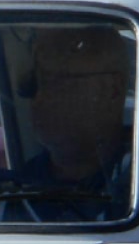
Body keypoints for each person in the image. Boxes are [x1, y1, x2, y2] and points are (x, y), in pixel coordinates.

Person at [24, 26, 132, 212]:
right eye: (34, 83)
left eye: (55, 82)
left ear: (112, 89)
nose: (39, 98)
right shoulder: (12, 190)